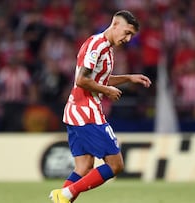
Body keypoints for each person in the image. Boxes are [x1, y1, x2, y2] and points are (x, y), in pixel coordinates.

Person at [49, 10, 151, 203]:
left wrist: (128, 78)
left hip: (75, 110)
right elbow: (81, 80)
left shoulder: (106, 48)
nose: (128, 39)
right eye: (127, 32)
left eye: (132, 35)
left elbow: (99, 78)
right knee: (116, 165)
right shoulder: (98, 46)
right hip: (86, 112)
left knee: (84, 167)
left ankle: (62, 198)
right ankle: (65, 194)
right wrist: (107, 90)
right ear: (115, 25)